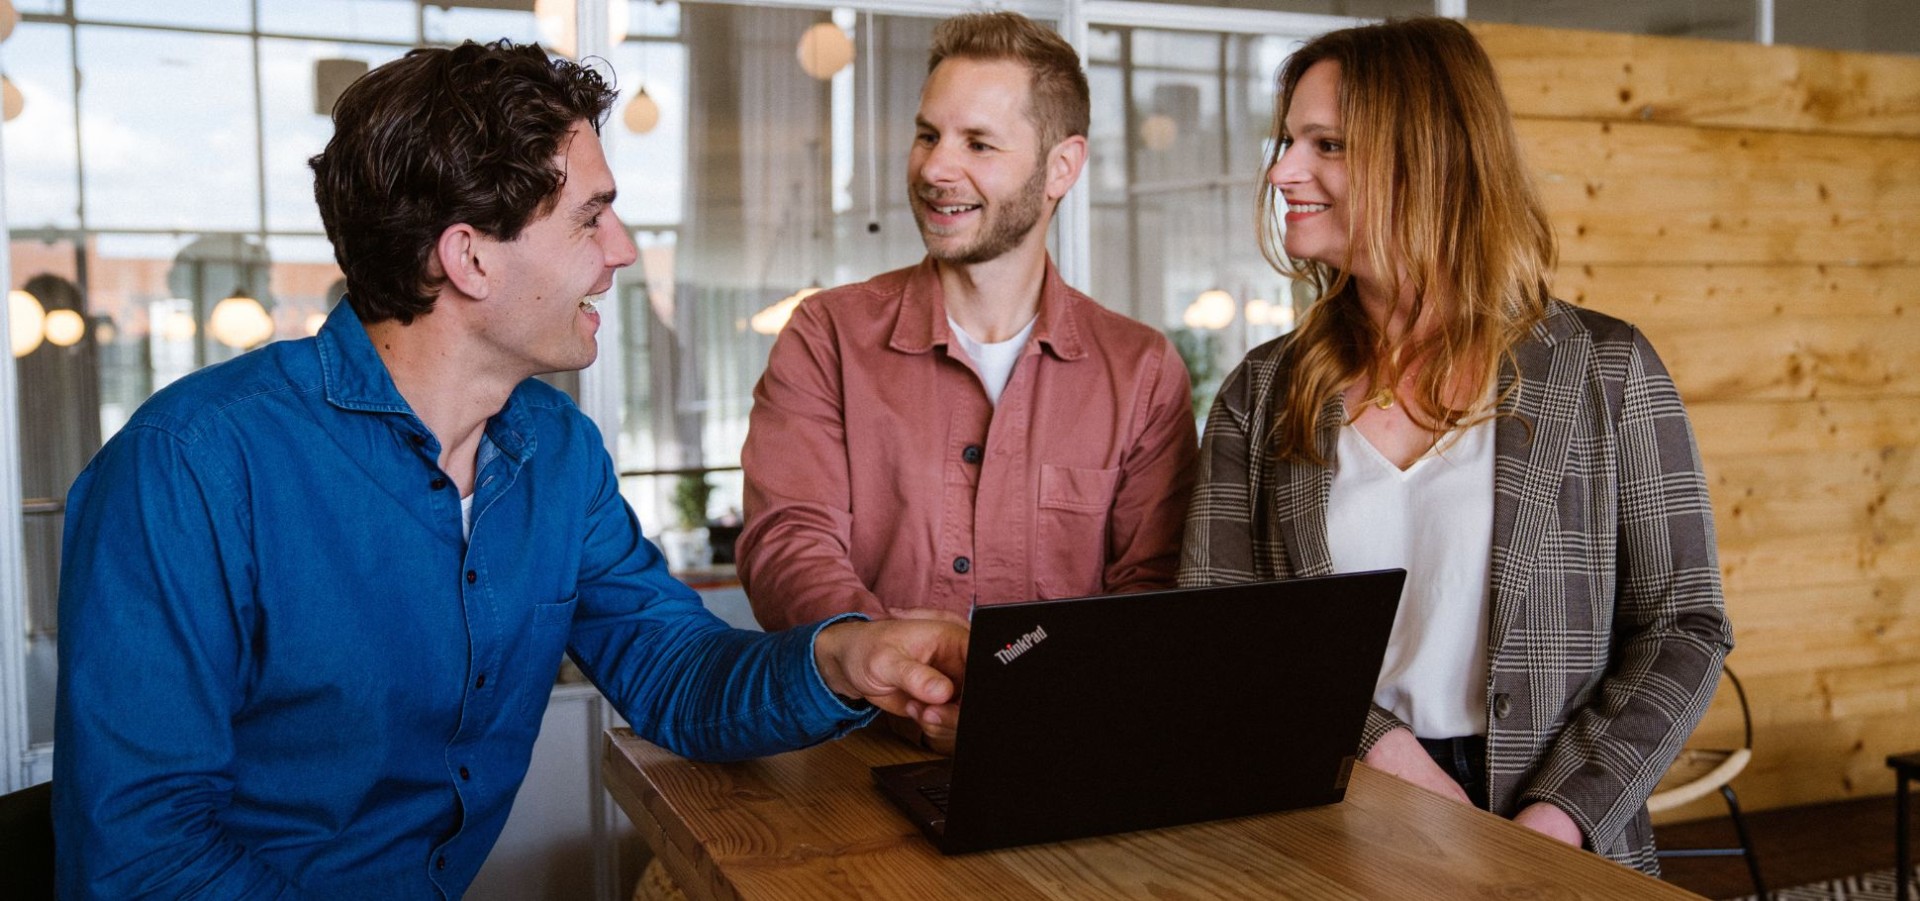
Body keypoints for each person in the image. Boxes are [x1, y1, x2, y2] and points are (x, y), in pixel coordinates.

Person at [52, 40, 965, 898]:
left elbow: (675, 672)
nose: (623, 250)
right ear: (470, 257)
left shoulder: (556, 454)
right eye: (592, 217)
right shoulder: (190, 466)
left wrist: (844, 658)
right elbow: (144, 856)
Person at [1177, 18, 1732, 874]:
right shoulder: (1261, 391)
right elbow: (1218, 631)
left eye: (1325, 144)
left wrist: (1560, 820)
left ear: (1426, 157)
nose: (1283, 171)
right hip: (1334, 807)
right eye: (1286, 142)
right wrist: (1387, 754)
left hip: (1564, 821)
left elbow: (1684, 623)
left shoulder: (1607, 370)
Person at [738, 12, 1197, 667]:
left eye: (978, 144)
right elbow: (788, 540)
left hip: (1060, 745)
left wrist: (1022, 685)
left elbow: (1150, 591)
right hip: (855, 747)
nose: (935, 169)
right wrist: (888, 656)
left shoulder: (1141, 370)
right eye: (928, 135)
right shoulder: (828, 337)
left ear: (1061, 167)